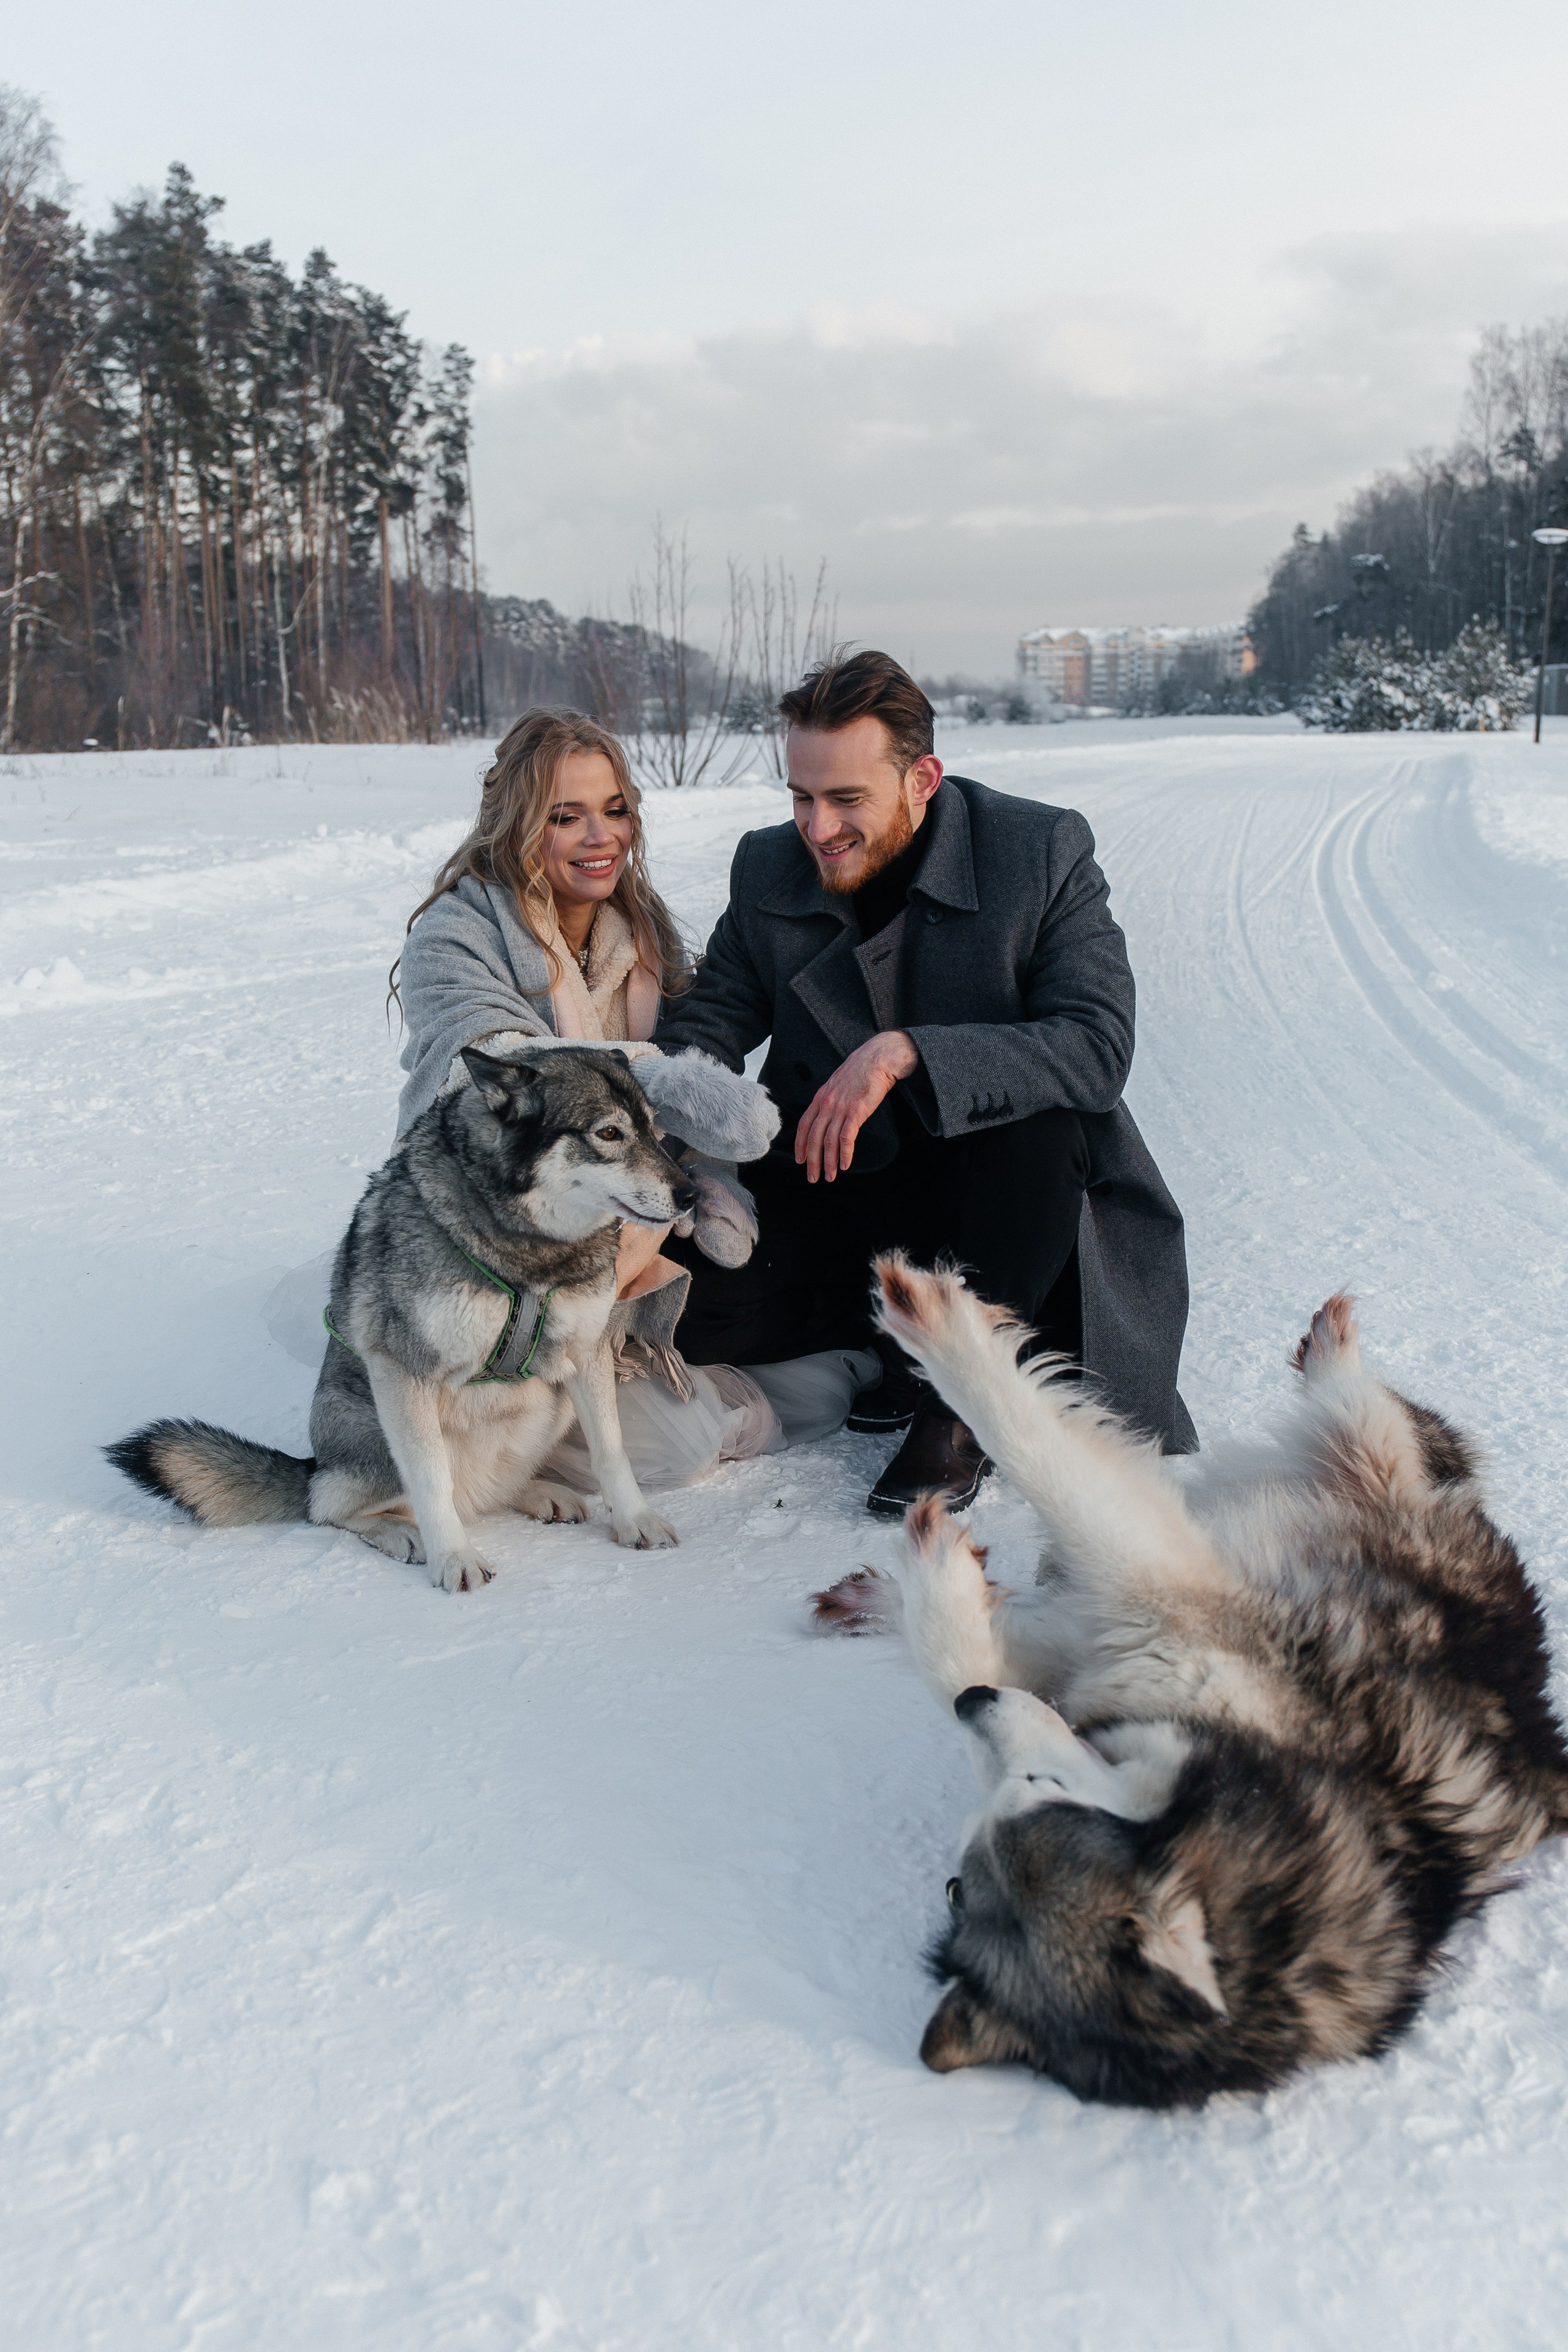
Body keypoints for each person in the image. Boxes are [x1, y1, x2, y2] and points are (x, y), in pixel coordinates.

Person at [656, 650, 1196, 1515]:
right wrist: (652, 1123)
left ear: (922, 780)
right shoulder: (766, 866)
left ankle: (964, 1400)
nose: (818, 828)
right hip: (842, 1192)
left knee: (1047, 1126)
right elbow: (709, 1022)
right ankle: (883, 1351)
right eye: (801, 797)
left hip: (1004, 1219)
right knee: (681, 1305)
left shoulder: (1038, 851)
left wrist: (904, 1052)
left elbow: (1098, 1045)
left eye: (846, 799)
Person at [391, 706, 793, 1490]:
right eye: (565, 817)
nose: (600, 836)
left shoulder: (638, 934)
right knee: (673, 1450)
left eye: (614, 810)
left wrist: (710, 1178)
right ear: (515, 825)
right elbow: (497, 1057)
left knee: (779, 1285)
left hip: (620, 1219)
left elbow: (685, 1073)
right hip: (502, 1238)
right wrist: (658, 1077)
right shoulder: (454, 934)